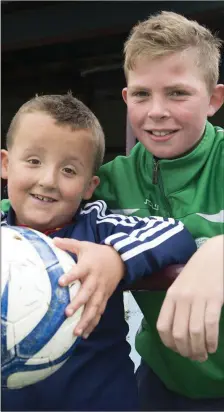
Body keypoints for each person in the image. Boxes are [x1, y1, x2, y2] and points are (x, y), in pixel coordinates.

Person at [48, 11, 224, 411]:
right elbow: (36, 204)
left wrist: (219, 251)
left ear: (214, 99)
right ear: (127, 98)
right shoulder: (108, 182)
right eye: (143, 94)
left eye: (177, 93)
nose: (156, 111)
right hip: (160, 378)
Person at [0, 93, 197, 411]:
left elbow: (175, 233)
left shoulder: (98, 226)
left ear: (90, 186)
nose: (48, 181)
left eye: (68, 170)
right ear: (6, 164)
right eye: (34, 161)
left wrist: (116, 258)